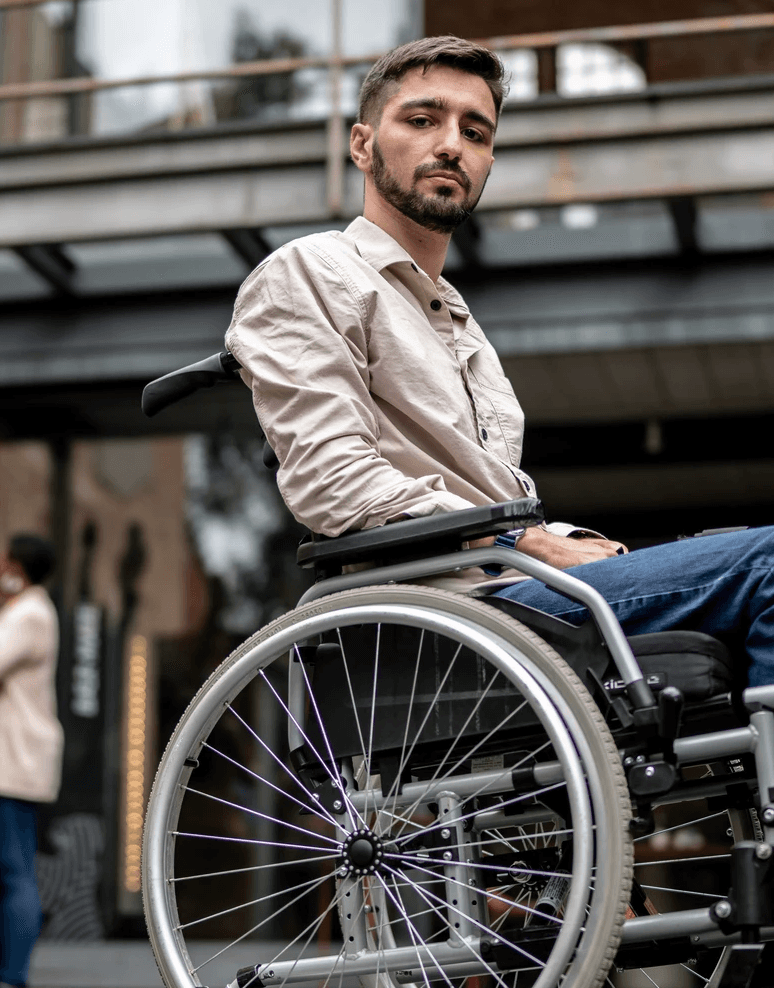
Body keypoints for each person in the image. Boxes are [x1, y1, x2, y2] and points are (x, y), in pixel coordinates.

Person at [226, 35, 774, 689]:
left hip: (515, 591)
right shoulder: (312, 272)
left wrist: (566, 540)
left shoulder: (456, 319)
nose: (452, 145)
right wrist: (524, 545)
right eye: (422, 120)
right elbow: (335, 483)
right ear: (363, 145)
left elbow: (496, 498)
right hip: (450, 608)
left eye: (476, 131)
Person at [0, 535, 63, 988]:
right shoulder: (27, 610)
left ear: (17, 565)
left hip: (15, 763)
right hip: (16, 760)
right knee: (13, 867)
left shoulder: (29, 613)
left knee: (14, 869)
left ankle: (13, 975)